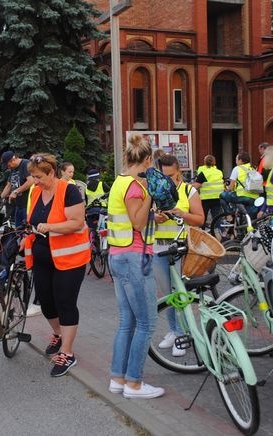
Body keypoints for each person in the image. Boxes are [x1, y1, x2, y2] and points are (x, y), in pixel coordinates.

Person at [107, 133, 164, 399]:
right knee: (146, 323)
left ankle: (118, 379)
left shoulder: (120, 182)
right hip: (134, 259)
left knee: (127, 322)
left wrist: (153, 213)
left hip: (119, 255)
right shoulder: (134, 185)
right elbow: (138, 223)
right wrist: (151, 196)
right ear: (148, 160)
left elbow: (135, 219)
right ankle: (134, 384)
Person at [21, 153, 90, 377]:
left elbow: (77, 223)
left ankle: (67, 353)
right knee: (47, 303)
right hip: (43, 257)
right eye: (32, 176)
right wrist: (26, 235)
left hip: (69, 258)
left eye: (38, 176)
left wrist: (50, 227)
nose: (35, 181)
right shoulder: (38, 191)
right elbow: (32, 222)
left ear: (51, 172)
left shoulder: (69, 190)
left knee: (65, 302)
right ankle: (58, 334)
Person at [153, 154, 205, 357]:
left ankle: (184, 334)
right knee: (168, 295)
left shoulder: (188, 190)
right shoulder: (157, 192)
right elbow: (149, 219)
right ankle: (173, 331)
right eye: (164, 176)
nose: (169, 181)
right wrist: (156, 217)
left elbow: (200, 219)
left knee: (180, 292)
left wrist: (182, 214)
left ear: (179, 172)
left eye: (172, 176)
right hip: (159, 248)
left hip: (181, 248)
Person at [0, 151, 34, 227]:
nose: (8, 167)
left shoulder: (25, 164)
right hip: (18, 206)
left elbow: (31, 181)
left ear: (13, 159)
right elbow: (9, 185)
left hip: (27, 205)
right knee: (17, 232)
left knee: (26, 231)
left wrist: (16, 191)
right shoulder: (13, 168)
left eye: (8, 165)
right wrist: (0, 198)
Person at [192, 154, 223, 226]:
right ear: (214, 162)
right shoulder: (219, 172)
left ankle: (202, 233)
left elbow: (196, 186)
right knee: (217, 218)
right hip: (217, 197)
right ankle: (222, 234)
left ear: (205, 163)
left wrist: (186, 186)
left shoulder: (204, 173)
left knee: (203, 218)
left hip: (206, 199)